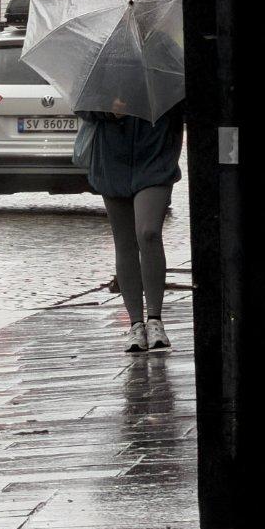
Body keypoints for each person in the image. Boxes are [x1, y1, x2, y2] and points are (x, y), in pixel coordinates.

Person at [78, 98, 185, 353]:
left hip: (155, 157)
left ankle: (155, 319)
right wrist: (107, 110)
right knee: (124, 242)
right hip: (112, 160)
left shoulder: (163, 65)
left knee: (148, 232)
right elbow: (83, 105)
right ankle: (136, 323)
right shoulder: (106, 65)